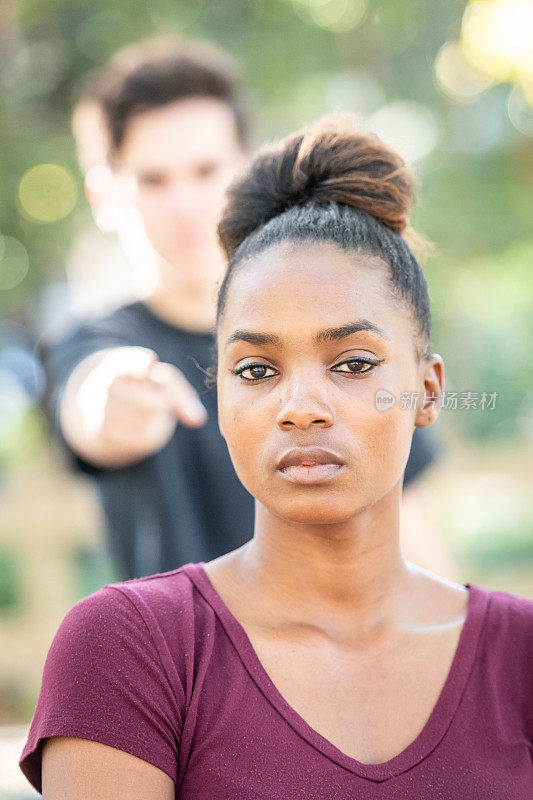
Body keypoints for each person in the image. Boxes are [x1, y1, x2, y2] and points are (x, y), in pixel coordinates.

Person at [20, 117, 533, 797]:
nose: (299, 406)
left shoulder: (518, 657)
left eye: (351, 363)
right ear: (222, 401)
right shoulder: (127, 649)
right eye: (257, 370)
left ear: (426, 392)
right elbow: (88, 399)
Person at [44, 37, 450, 582]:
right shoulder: (97, 345)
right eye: (153, 180)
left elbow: (410, 525)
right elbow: (89, 402)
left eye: (205, 170)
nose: (184, 203)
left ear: (246, 167)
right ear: (105, 198)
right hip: (179, 663)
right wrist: (108, 396)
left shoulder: (347, 336)